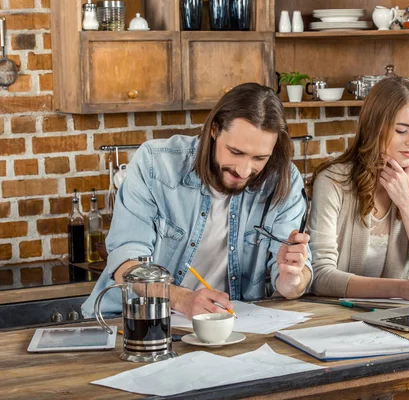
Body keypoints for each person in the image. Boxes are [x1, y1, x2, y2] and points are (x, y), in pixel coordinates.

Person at [82, 83, 312, 318]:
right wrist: (182, 299)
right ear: (214, 130)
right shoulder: (155, 164)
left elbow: (295, 283)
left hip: (230, 327)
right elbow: (125, 264)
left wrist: (291, 278)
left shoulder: (284, 179)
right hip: (136, 320)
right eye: (235, 152)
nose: (244, 170)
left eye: (259, 158)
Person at [308, 77, 409, 301]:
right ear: (374, 128)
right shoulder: (333, 182)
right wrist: (400, 289)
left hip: (397, 314)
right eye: (402, 130)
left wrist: (406, 202)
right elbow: (320, 275)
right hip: (335, 316)